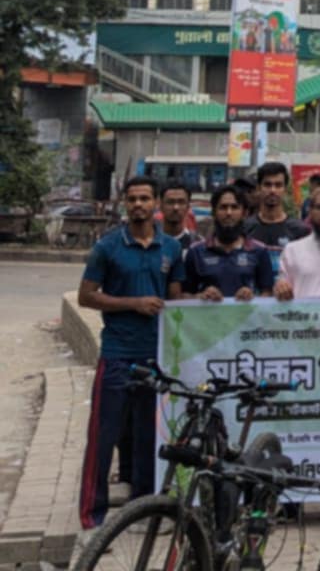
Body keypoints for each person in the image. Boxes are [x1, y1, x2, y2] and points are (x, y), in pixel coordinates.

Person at [78, 177, 185, 528]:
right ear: (124, 204)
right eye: (132, 199)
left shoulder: (171, 249)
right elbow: (87, 296)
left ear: (155, 203)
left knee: (147, 435)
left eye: (144, 198)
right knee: (103, 435)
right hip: (117, 354)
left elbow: (174, 297)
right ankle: (92, 516)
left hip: (154, 356)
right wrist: (132, 304)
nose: (138, 204)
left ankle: (142, 508)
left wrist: (210, 299)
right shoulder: (107, 247)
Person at [184, 185, 274, 301]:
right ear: (213, 213)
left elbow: (268, 294)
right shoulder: (196, 252)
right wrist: (201, 297)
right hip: (208, 318)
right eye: (223, 207)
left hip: (247, 318)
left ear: (244, 213)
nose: (229, 213)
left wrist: (253, 297)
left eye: (234, 207)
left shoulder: (259, 251)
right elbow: (183, 296)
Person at [245, 162, 309, 275]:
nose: (273, 190)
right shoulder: (244, 228)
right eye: (267, 185)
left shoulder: (300, 230)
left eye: (278, 185)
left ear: (285, 189)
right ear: (259, 187)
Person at [158, 180, 197, 256]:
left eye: (181, 202)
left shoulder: (197, 244)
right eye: (170, 202)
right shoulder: (148, 241)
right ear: (161, 206)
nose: (176, 207)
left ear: (188, 207)